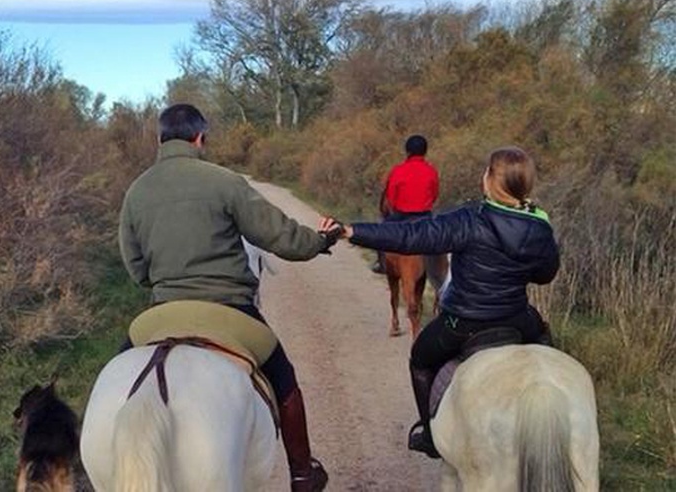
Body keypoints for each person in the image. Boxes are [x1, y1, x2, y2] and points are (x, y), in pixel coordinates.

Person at [119, 103, 333, 491]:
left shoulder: (137, 191)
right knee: (284, 379)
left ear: (159, 139)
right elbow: (279, 236)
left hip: (160, 313)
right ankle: (303, 473)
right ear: (200, 138)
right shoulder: (225, 181)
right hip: (229, 311)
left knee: (118, 379)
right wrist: (320, 241)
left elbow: (135, 269)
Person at [321, 146, 558, 459]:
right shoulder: (540, 225)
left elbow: (411, 236)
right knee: (543, 337)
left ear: (488, 180)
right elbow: (545, 275)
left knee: (420, 359)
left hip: (464, 322)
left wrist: (351, 231)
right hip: (515, 317)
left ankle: (430, 436)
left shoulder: (468, 220)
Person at [372, 134, 439, 273]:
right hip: (425, 218)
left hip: (401, 217)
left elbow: (390, 198)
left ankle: (380, 262)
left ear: (407, 151)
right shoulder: (431, 171)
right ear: (425, 151)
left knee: (381, 230)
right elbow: (434, 195)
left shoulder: (397, 170)